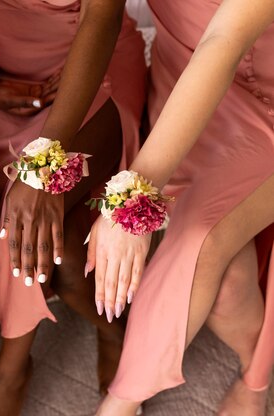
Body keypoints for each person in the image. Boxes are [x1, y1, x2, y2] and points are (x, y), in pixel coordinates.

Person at [0, 0, 146, 413]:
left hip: (91, 74)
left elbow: (104, 15)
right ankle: (111, 327)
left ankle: (11, 367)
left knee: (22, 200)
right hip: (2, 83)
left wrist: (45, 160)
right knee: (72, 258)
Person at [88, 1, 274, 415]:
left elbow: (223, 41)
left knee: (198, 242)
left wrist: (132, 200)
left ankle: (119, 405)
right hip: (180, 84)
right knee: (226, 286)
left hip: (264, 103)